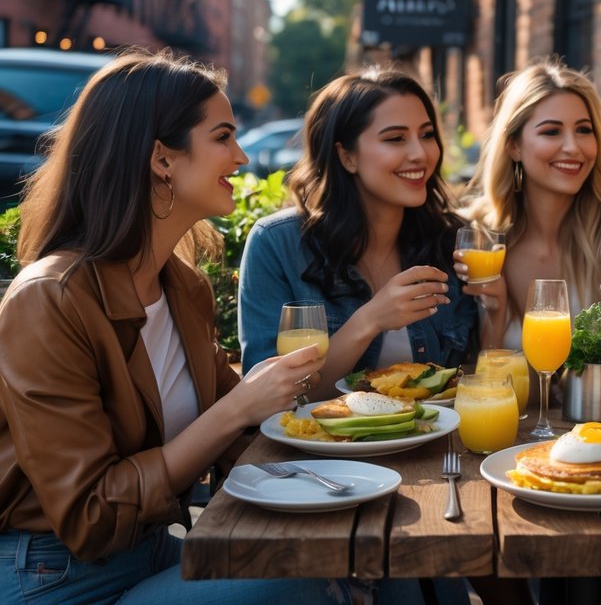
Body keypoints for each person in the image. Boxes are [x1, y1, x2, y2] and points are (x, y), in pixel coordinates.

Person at [0, 50, 345, 604]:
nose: (240, 156)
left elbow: (244, 441)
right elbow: (90, 516)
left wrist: (368, 446)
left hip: (153, 552)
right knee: (311, 574)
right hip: (57, 577)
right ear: (162, 158)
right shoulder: (50, 299)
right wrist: (237, 409)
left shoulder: (184, 288)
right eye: (223, 137)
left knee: (358, 555)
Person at [239, 68, 477, 392]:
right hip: (317, 428)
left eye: (427, 135)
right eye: (395, 139)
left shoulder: (451, 239)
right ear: (347, 156)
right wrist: (371, 320)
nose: (420, 154)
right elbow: (268, 396)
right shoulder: (277, 244)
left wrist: (495, 307)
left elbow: (477, 377)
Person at [457, 59, 601, 350]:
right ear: (514, 146)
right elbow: (473, 371)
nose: (573, 147)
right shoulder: (475, 241)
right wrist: (495, 312)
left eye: (584, 130)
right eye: (551, 132)